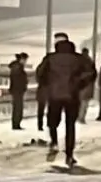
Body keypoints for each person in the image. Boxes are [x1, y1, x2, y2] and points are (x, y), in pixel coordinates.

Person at [36, 36, 85, 167]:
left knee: (52, 122)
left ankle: (54, 142)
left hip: (54, 96)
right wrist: (78, 84)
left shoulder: (50, 58)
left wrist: (48, 84)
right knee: (70, 125)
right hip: (72, 96)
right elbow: (90, 72)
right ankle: (69, 155)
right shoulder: (78, 59)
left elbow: (40, 74)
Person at [36, 33, 70, 131]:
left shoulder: (50, 58)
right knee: (67, 120)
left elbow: (40, 72)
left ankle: (52, 134)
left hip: (55, 91)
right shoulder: (75, 58)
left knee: (54, 118)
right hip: (67, 91)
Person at [7, 52, 30, 130]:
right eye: (25, 60)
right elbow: (18, 79)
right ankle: (16, 124)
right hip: (17, 90)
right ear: (22, 59)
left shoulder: (17, 67)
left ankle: (16, 124)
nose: (26, 62)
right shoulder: (17, 67)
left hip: (17, 90)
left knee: (17, 107)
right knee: (18, 107)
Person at [77, 46, 98, 123]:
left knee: (79, 102)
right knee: (85, 102)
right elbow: (94, 74)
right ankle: (82, 117)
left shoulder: (78, 60)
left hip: (79, 85)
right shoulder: (90, 61)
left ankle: (78, 116)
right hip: (88, 86)